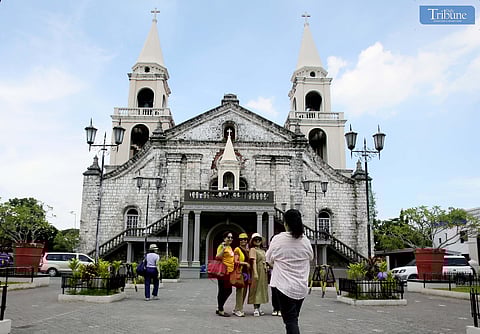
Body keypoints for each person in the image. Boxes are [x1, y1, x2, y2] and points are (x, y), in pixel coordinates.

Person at [266, 209, 313, 334]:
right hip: (301, 287)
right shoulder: (305, 241)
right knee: (293, 318)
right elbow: (311, 257)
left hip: (283, 286)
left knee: (290, 321)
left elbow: (269, 259)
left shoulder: (278, 239)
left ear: (285, 223)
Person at [247, 232, 269, 317]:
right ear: (252, 241)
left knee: (262, 289)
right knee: (256, 288)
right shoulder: (253, 250)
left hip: (263, 271)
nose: (257, 241)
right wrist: (255, 273)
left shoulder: (263, 250)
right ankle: (255, 308)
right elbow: (253, 262)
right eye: (255, 239)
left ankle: (259, 307)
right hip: (257, 269)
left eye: (259, 239)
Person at [216, 231, 235, 317]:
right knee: (223, 290)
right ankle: (221, 309)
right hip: (223, 272)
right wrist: (223, 249)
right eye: (228, 237)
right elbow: (217, 257)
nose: (230, 239)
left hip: (229, 272)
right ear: (224, 238)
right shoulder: (222, 246)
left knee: (227, 290)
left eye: (231, 237)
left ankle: (220, 307)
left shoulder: (230, 247)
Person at [232, 232, 250, 317]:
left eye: (245, 239)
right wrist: (245, 263)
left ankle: (238, 308)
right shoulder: (237, 249)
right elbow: (235, 261)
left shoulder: (247, 250)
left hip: (247, 273)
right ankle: (239, 309)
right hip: (240, 272)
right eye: (241, 239)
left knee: (245, 291)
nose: (243, 241)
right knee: (240, 291)